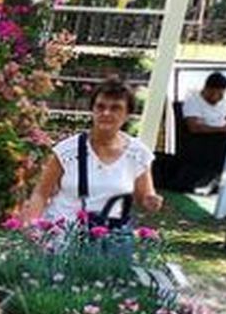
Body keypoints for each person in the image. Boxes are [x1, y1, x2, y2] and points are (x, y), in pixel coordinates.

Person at [20, 79, 161, 225]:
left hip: (109, 236)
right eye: (100, 107)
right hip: (63, 235)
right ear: (92, 110)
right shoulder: (66, 151)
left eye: (115, 108)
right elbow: (41, 193)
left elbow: (144, 196)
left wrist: (151, 201)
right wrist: (31, 224)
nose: (106, 113)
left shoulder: (138, 154)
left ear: (127, 115)